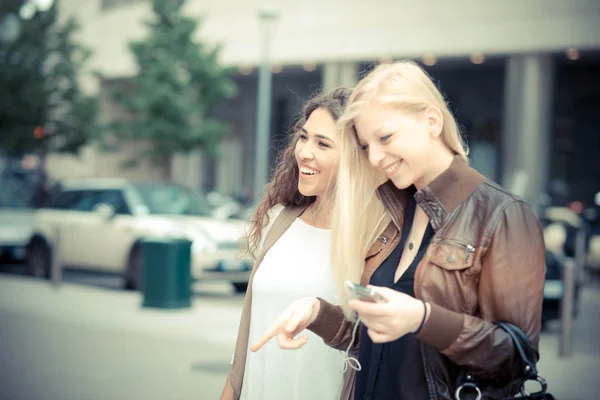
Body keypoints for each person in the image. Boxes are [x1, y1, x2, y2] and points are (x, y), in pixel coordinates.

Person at [251, 61, 546, 400]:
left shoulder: (502, 214)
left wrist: (424, 318)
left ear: (432, 122)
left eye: (385, 137)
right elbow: (377, 343)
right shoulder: (394, 209)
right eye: (365, 146)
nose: (375, 157)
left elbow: (514, 359)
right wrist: (317, 312)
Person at [220, 88, 352, 400]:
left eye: (323, 143)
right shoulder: (278, 220)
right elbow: (247, 339)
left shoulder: (375, 241)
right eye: (304, 137)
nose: (305, 151)